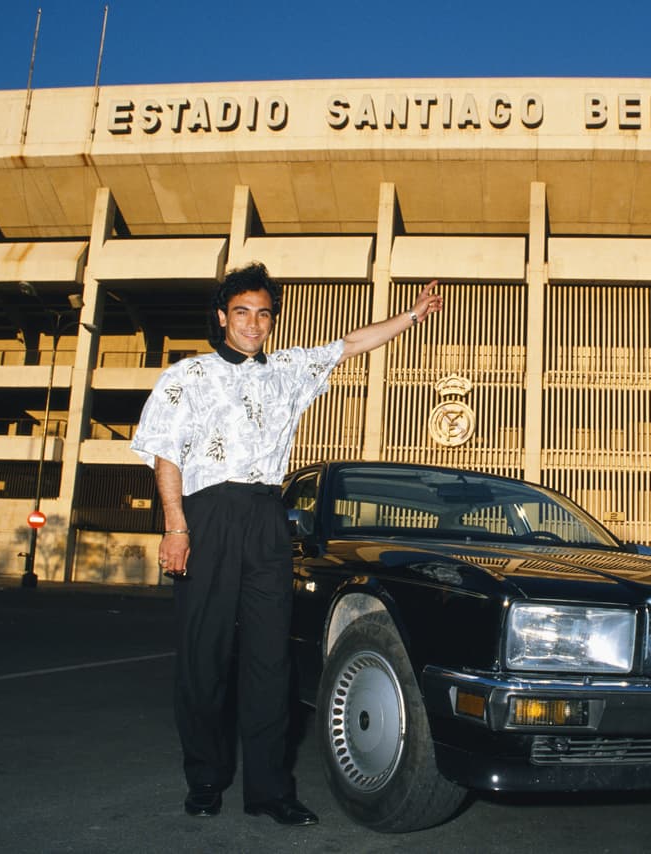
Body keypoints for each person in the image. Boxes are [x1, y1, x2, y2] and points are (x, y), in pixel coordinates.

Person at [130, 263, 443, 825]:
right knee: (205, 656)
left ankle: (270, 790)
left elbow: (351, 344)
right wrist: (176, 527)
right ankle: (205, 779)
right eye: (242, 312)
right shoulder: (187, 376)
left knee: (270, 659)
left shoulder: (289, 370)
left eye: (264, 313)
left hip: (267, 516)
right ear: (223, 317)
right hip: (208, 516)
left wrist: (412, 317)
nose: (254, 323)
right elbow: (166, 454)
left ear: (273, 320)